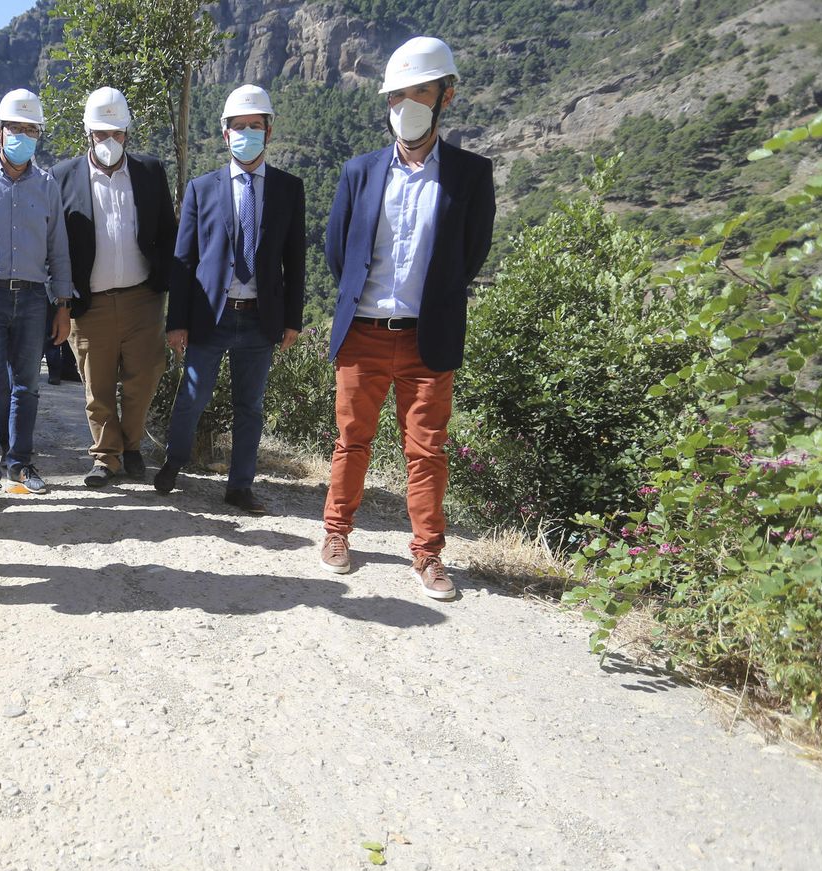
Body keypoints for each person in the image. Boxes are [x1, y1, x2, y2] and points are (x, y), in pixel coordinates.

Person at [320, 36, 495, 600]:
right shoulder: (360, 171)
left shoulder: (470, 175)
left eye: (421, 92)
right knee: (352, 440)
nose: (408, 104)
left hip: (427, 337)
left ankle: (428, 555)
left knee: (427, 451)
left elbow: (470, 255)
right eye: (398, 95)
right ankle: (336, 532)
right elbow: (338, 252)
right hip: (363, 333)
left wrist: (433, 301)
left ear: (447, 96)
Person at [157, 85, 305, 515]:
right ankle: (173, 463)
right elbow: (184, 260)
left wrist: (292, 320)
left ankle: (240, 486)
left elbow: (295, 259)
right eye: (238, 126)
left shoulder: (288, 189)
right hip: (211, 316)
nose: (246, 133)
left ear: (269, 131)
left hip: (261, 318)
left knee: (250, 407)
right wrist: (176, 322)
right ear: (225, 134)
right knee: (192, 397)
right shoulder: (202, 188)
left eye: (255, 126)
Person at [52, 87, 177, 488]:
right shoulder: (62, 177)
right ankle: (106, 457)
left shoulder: (150, 172)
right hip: (90, 304)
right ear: (88, 133)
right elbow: (55, 245)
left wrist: (167, 287)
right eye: (101, 133)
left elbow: (168, 234)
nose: (110, 141)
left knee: (145, 376)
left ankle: (132, 444)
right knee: (98, 384)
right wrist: (61, 302)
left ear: (127, 132)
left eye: (117, 133)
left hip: (144, 298)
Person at [0, 89, 74, 510]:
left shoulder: (46, 185)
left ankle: (20, 464)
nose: (24, 136)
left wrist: (62, 304)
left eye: (32, 129)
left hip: (32, 298)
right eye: (16, 128)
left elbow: (58, 248)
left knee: (27, 386)